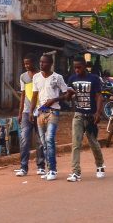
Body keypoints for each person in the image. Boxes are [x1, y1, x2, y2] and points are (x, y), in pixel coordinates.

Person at [30, 53, 71, 181]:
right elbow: (34, 96)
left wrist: (54, 99)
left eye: (44, 62)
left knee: (49, 139)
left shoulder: (57, 78)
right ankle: (49, 169)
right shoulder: (36, 77)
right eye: (41, 62)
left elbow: (67, 94)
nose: (41, 64)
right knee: (44, 142)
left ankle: (53, 170)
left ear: (50, 64)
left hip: (53, 111)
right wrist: (31, 112)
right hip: (40, 112)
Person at [66, 58, 106, 182]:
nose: (77, 70)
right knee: (76, 144)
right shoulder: (72, 79)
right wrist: (69, 93)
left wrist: (98, 113)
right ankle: (76, 172)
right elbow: (68, 98)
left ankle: (100, 165)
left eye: (79, 67)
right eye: (75, 68)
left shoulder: (93, 79)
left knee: (93, 142)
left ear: (84, 66)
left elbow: (99, 96)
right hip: (78, 115)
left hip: (91, 116)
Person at [13, 56, 46, 178]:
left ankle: (41, 166)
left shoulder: (41, 76)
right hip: (27, 112)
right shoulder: (23, 77)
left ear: (34, 63)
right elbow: (23, 95)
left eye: (28, 63)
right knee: (24, 140)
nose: (26, 66)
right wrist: (20, 113)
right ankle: (23, 167)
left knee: (40, 141)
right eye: (25, 64)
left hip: (40, 111)